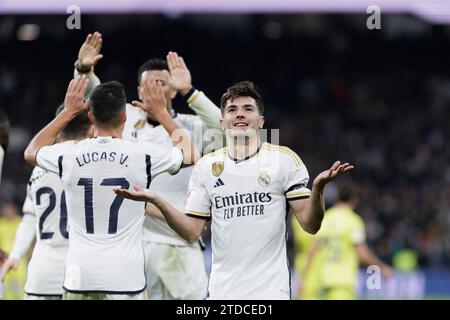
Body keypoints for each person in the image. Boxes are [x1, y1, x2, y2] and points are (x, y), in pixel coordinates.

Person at [114, 81, 353, 299]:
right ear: (222, 122)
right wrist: (157, 199)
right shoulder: (206, 167)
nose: (240, 114)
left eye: (248, 109)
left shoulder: (283, 161)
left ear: (261, 121)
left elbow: (311, 225)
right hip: (223, 292)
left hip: (270, 292)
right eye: (232, 110)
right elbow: (191, 232)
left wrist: (318, 189)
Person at [73, 32, 222, 299]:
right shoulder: (124, 121)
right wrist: (83, 69)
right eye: (149, 85)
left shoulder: (191, 127)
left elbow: (227, 131)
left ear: (173, 89)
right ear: (139, 91)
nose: (156, 89)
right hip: (132, 245)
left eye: (163, 84)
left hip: (179, 245)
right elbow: (94, 97)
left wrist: (190, 92)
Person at [24, 75, 199, 300]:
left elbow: (31, 151)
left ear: (90, 116)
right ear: (124, 117)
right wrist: (162, 114)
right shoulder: (141, 154)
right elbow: (192, 153)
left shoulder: (69, 154)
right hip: (126, 279)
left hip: (80, 277)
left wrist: (67, 112)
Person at [1, 105, 92, 300]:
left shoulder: (40, 167)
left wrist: (16, 254)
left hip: (43, 272)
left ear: (57, 132)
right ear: (91, 130)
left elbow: (30, 217)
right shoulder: (94, 165)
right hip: (84, 270)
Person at [305, 184, 394, 300]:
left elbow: (313, 249)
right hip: (343, 280)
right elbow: (361, 253)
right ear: (354, 199)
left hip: (324, 279)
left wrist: (304, 276)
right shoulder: (353, 221)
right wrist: (381, 267)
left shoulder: (326, 218)